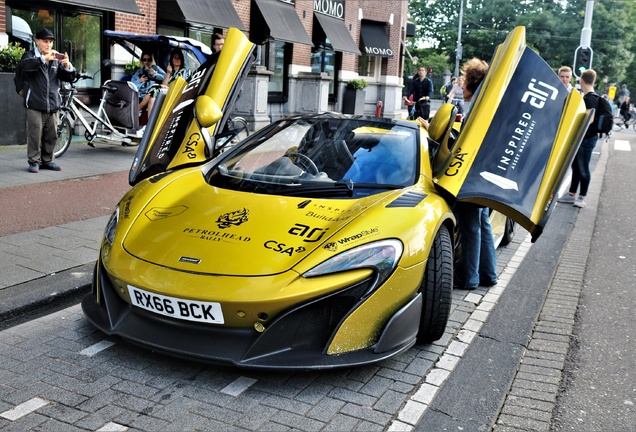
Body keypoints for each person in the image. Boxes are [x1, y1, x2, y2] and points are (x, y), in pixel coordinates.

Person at [452, 57, 497, 290]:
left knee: (470, 226)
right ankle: (488, 274)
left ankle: (469, 278)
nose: (460, 86)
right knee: (482, 224)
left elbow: (467, 142)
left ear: (472, 82)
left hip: (471, 174)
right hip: (484, 172)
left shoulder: (478, 107)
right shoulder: (485, 103)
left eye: (463, 82)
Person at [18, 28, 76, 173]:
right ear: (37, 41)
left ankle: (48, 160)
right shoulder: (29, 56)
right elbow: (25, 67)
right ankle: (34, 161)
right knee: (35, 136)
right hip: (35, 104)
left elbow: (68, 77)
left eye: (50, 42)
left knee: (51, 135)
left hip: (53, 104)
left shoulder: (56, 59)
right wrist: (43, 59)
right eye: (45, 41)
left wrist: (67, 65)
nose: (48, 45)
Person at [557, 69, 600, 209]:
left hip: (587, 139)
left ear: (581, 80)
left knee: (583, 168)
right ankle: (571, 194)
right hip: (585, 139)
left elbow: (590, 119)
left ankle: (582, 197)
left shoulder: (590, 98)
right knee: (576, 166)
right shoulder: (589, 97)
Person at [146, 48, 190, 115]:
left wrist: (168, 88)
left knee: (154, 88)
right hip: (166, 93)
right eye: (175, 58)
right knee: (152, 99)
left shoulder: (185, 71)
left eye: (179, 58)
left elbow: (183, 86)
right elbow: (164, 84)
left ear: (182, 59)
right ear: (172, 59)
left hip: (175, 94)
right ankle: (149, 124)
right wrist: (168, 73)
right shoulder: (171, 71)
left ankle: (139, 108)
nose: (177, 60)